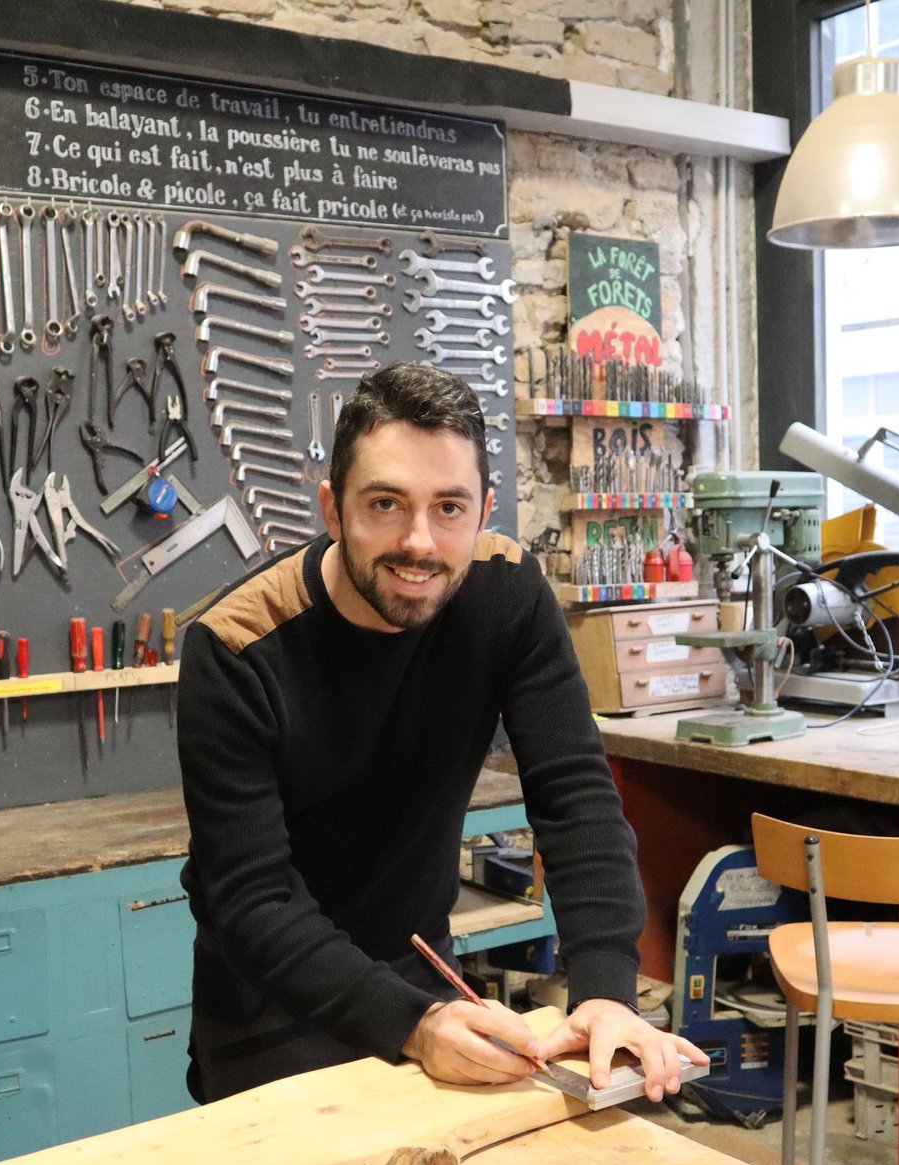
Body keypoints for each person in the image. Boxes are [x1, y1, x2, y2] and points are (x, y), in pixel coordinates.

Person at [176, 361, 706, 1103]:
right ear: (333, 510)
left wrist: (605, 991)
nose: (419, 542)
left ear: (484, 510)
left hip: (422, 969)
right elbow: (252, 899)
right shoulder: (236, 646)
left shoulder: (508, 596)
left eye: (449, 507)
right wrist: (414, 1025)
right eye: (385, 504)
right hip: (268, 999)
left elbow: (575, 797)